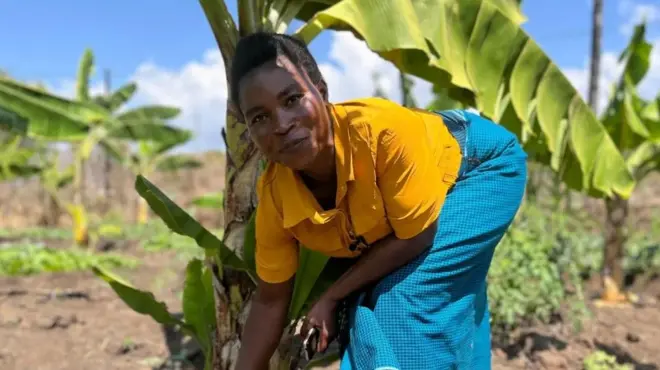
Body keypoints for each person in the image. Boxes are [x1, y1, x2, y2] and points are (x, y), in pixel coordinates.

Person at [231, 31, 527, 370]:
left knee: (403, 299)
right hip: (415, 215)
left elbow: (417, 235)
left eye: (292, 99)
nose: (281, 124)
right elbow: (270, 301)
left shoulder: (381, 134)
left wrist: (332, 295)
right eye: (259, 117)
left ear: (320, 90)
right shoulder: (277, 199)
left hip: (479, 168)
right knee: (380, 300)